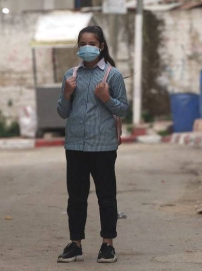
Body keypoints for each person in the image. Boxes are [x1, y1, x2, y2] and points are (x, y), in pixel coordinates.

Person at [56, 25, 129, 264]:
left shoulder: (113, 76)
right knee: (76, 197)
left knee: (106, 196)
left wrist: (106, 98)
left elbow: (123, 109)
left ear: (101, 47)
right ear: (79, 47)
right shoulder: (70, 76)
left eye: (92, 44)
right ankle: (75, 244)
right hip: (75, 145)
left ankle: (107, 244)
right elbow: (62, 112)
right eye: (83, 43)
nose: (88, 48)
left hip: (103, 146)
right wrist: (67, 94)